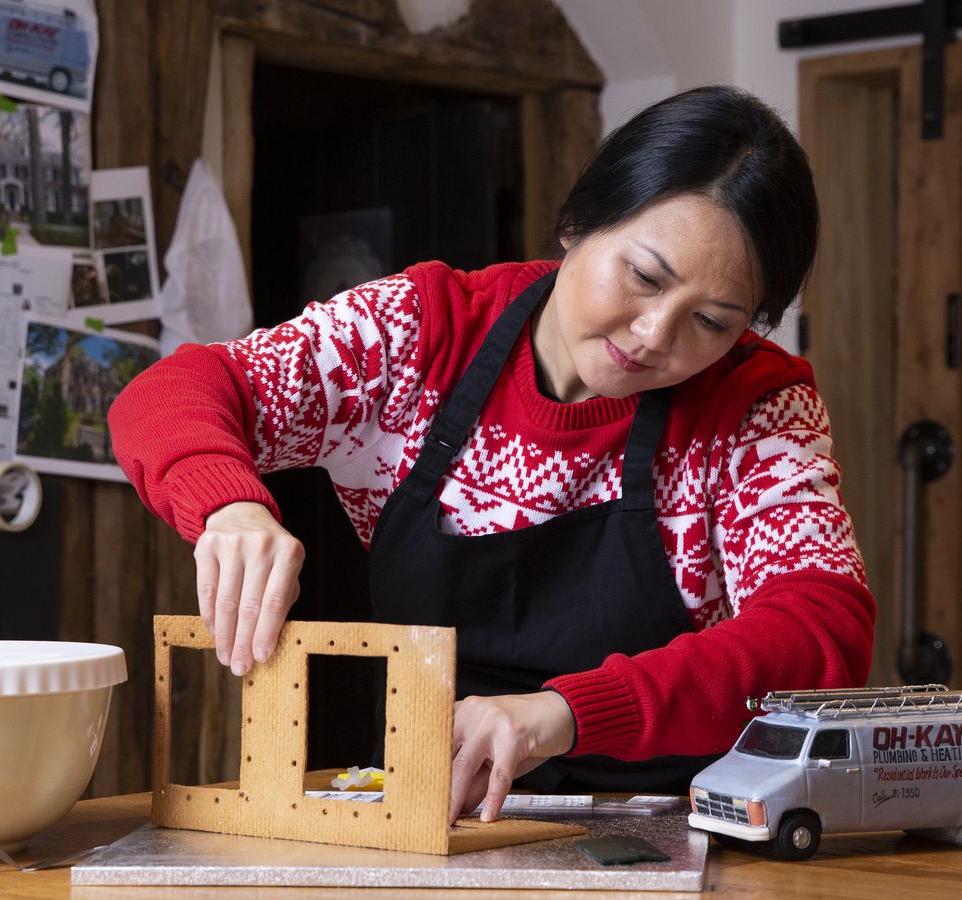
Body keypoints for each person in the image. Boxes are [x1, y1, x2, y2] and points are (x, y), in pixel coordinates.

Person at [108, 86, 874, 825]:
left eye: (711, 321)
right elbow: (174, 390)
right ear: (577, 221)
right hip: (435, 807)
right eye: (643, 277)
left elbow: (820, 629)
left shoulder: (755, 404)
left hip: (681, 824)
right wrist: (229, 506)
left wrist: (567, 712)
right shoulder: (420, 337)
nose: (654, 335)